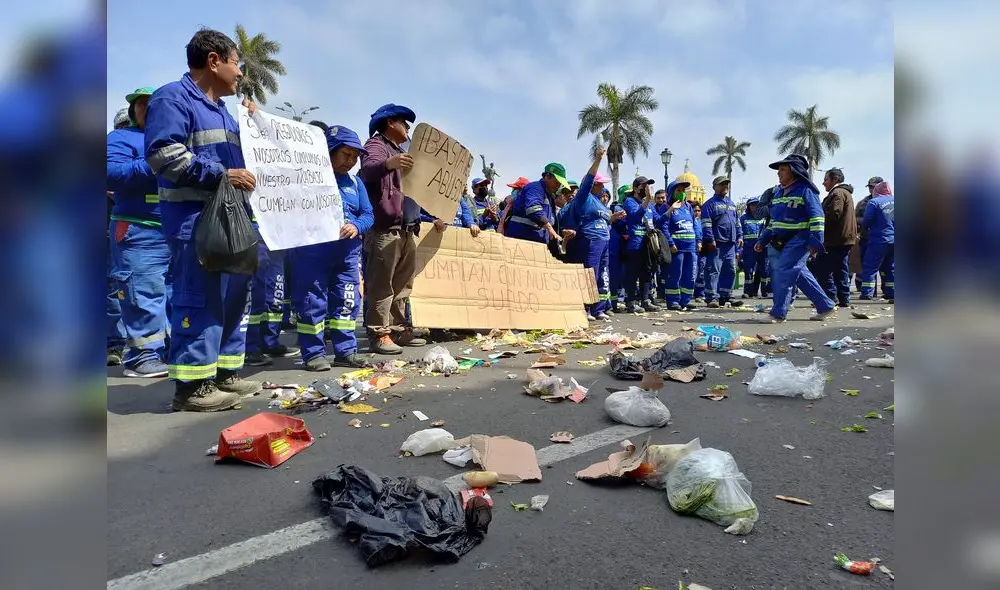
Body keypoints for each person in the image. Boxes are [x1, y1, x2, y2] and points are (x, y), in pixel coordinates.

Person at [144, 28, 260, 411]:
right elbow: (163, 155)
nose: (240, 72)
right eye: (235, 63)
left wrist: (255, 127)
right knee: (199, 300)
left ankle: (224, 373)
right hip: (193, 220)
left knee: (230, 299)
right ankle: (192, 386)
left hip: (231, 222)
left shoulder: (224, 112)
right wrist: (220, 175)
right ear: (214, 61)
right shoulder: (172, 98)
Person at [289, 124, 375, 371]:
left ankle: (345, 352)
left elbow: (368, 214)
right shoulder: (306, 177)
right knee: (311, 302)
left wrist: (357, 226)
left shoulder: (355, 183)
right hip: (313, 253)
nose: (351, 161)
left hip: (346, 254)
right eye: (346, 155)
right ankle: (314, 354)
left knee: (347, 301)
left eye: (355, 157)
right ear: (330, 151)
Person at [107, 86, 173, 378]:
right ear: (133, 111)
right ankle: (141, 356)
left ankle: (169, 351)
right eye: (142, 105)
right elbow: (112, 174)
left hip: (175, 229)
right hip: (138, 229)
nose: (148, 109)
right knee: (142, 292)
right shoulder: (121, 138)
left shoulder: (176, 139)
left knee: (173, 294)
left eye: (154, 105)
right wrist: (155, 161)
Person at [359, 103, 427, 355]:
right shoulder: (377, 146)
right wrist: (390, 163)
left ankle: (398, 328)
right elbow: (366, 170)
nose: (407, 127)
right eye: (404, 122)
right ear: (390, 123)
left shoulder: (402, 152)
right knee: (381, 284)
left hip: (408, 228)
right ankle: (379, 333)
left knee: (402, 284)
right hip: (385, 229)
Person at [754, 154, 836, 323]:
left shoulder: (806, 191)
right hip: (780, 241)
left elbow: (817, 218)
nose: (779, 173)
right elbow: (774, 222)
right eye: (779, 170)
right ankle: (826, 305)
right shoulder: (778, 193)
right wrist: (762, 240)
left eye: (783, 170)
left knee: (784, 271)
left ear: (794, 171)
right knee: (800, 274)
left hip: (800, 240)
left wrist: (815, 242)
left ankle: (778, 313)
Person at [558, 146, 623, 320]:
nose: (603, 187)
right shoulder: (583, 197)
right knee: (590, 273)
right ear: (594, 185)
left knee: (603, 274)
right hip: (589, 240)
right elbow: (588, 179)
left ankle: (598, 308)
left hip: (604, 242)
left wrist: (613, 218)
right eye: (601, 184)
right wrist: (598, 159)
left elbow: (603, 220)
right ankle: (585, 308)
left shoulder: (600, 203)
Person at [812, 168, 857, 307]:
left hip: (835, 239)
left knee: (821, 268)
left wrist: (818, 224)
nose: (823, 182)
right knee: (840, 269)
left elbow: (834, 214)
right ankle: (843, 299)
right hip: (843, 238)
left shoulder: (837, 193)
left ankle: (830, 298)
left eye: (826, 179)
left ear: (835, 178)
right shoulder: (845, 193)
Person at [701, 176, 743, 308]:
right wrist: (710, 239)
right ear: (714, 187)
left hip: (730, 243)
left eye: (726, 184)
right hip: (717, 243)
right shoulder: (709, 205)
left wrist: (740, 236)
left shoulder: (731, 204)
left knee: (730, 270)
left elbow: (737, 223)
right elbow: (706, 225)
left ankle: (726, 296)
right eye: (722, 184)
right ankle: (711, 298)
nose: (725, 186)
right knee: (713, 270)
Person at [620, 176, 661, 313]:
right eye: (643, 186)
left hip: (647, 244)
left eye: (648, 186)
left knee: (647, 273)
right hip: (635, 244)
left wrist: (670, 210)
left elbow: (658, 220)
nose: (646, 189)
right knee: (633, 274)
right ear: (636, 188)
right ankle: (631, 302)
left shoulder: (649, 204)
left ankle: (645, 300)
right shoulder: (630, 201)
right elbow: (635, 216)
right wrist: (648, 199)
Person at [660, 180, 702, 311]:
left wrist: (698, 240)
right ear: (672, 192)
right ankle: (673, 301)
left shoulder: (688, 207)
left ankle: (685, 300)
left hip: (691, 248)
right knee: (675, 275)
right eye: (678, 190)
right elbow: (664, 226)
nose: (682, 193)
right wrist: (671, 243)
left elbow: (694, 224)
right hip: (677, 248)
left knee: (690, 276)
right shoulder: (667, 207)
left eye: (683, 191)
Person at [504, 163, 569, 246]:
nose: (558, 186)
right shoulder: (535, 188)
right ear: (547, 176)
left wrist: (561, 231)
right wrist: (549, 228)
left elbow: (551, 220)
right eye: (556, 182)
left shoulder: (549, 196)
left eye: (560, 184)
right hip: (522, 240)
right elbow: (534, 209)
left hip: (535, 242)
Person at [860, 180, 895, 302]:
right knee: (891, 267)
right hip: (894, 239)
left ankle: (867, 293)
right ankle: (892, 292)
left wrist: (867, 229)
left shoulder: (874, 202)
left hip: (879, 239)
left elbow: (867, 220)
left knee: (871, 266)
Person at [854, 176, 883, 294]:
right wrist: (866, 222)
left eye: (873, 187)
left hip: (884, 239)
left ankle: (888, 291)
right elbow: (855, 219)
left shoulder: (890, 201)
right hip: (866, 239)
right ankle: (868, 292)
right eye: (870, 187)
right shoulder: (863, 203)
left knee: (886, 268)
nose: (871, 189)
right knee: (867, 266)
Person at [739, 197, 766, 298]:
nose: (754, 207)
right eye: (752, 205)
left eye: (756, 205)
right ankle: (748, 291)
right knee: (748, 269)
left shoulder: (764, 218)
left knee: (764, 269)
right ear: (748, 206)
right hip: (749, 248)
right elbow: (740, 232)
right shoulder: (743, 218)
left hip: (762, 247)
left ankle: (765, 291)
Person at [651, 189, 671, 301]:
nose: (661, 200)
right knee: (656, 269)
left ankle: (664, 291)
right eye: (658, 198)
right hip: (656, 242)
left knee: (666, 269)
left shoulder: (669, 207)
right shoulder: (653, 209)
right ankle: (659, 292)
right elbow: (658, 221)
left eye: (663, 198)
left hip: (667, 241)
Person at [692, 202, 707, 300]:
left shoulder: (703, 222)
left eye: (698, 211)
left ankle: (700, 294)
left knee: (702, 271)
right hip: (693, 249)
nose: (697, 213)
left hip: (703, 250)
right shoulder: (691, 221)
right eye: (695, 211)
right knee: (693, 272)